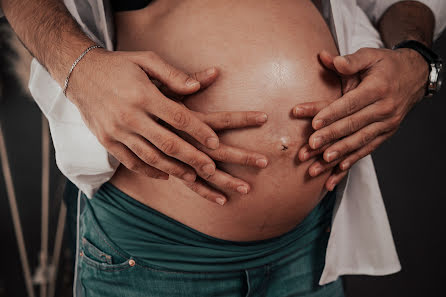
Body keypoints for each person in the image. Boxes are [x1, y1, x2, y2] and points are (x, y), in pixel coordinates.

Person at [0, 0, 445, 296]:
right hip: (155, 256)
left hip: (308, 250)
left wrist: (416, 57)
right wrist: (78, 68)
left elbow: (399, 4)